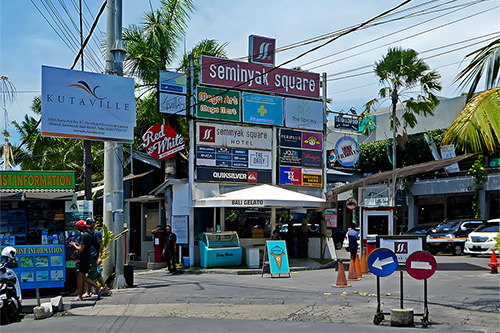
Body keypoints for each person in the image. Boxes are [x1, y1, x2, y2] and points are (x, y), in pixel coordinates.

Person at [69, 220, 104, 301]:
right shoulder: (88, 235)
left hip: (82, 259)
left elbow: (80, 249)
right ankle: (82, 294)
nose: (77, 229)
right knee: (83, 277)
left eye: (78, 227)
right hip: (87, 258)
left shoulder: (83, 236)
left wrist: (74, 245)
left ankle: (97, 288)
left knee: (80, 277)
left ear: (81, 227)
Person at [83, 218, 110, 298]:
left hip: (93, 257)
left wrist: (99, 257)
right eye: (87, 223)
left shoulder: (96, 233)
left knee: (87, 276)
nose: (89, 224)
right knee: (97, 274)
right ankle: (105, 289)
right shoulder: (87, 233)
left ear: (94, 224)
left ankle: (93, 290)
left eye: (90, 223)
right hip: (90, 256)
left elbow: (101, 245)